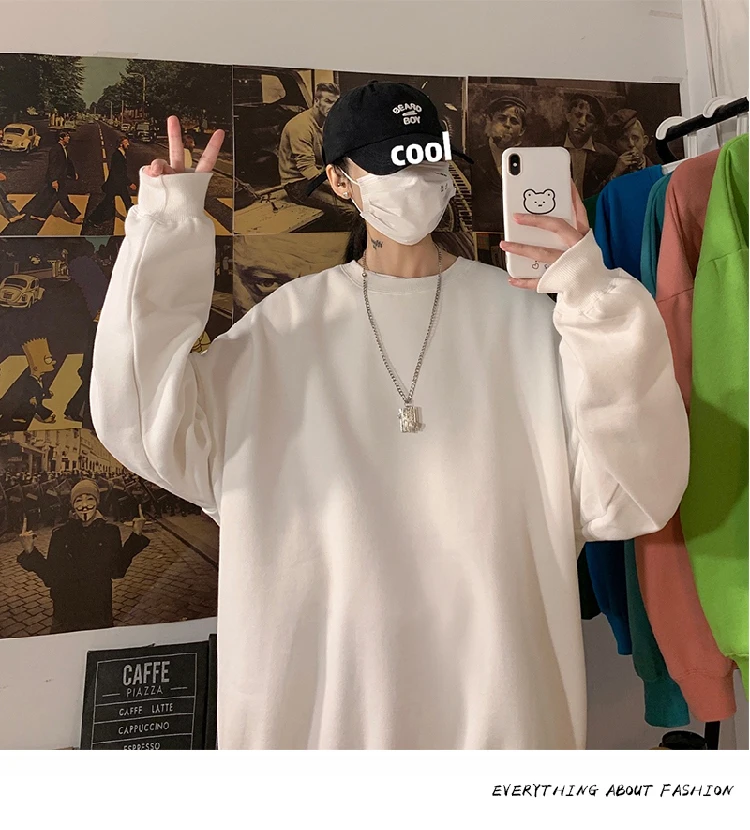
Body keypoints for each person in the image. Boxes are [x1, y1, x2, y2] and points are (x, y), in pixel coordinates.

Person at [90, 83, 689, 750]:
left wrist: (587, 290)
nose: (416, 178)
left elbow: (635, 490)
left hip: (500, 712)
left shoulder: (532, 318)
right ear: (339, 181)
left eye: (429, 158)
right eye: (392, 161)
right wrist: (167, 229)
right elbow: (144, 418)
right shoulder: (286, 328)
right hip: (326, 725)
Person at [17, 479, 149, 634]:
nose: (84, 505)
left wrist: (136, 536)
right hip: (65, 615)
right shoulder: (61, 534)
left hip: (98, 614)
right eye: (78, 500)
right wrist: (30, 551)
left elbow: (117, 570)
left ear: (97, 501)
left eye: (90, 498)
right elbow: (51, 577)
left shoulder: (110, 532)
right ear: (72, 504)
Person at [277, 82, 358, 229]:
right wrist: (339, 186)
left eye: (335, 103)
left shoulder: (327, 123)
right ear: (316, 101)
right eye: (327, 101)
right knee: (350, 211)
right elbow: (307, 169)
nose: (332, 107)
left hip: (319, 177)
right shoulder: (301, 126)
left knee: (358, 201)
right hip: (298, 184)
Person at [472, 95, 528, 230]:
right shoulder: (473, 159)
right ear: (489, 121)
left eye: (514, 121)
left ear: (521, 130)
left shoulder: (528, 162)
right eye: (501, 118)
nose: (507, 125)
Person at [560, 93, 617, 199]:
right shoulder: (553, 151)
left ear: (595, 127)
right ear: (568, 116)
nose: (582, 122)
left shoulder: (606, 157)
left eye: (589, 119)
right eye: (578, 115)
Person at [20, 131, 83, 224]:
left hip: (59, 177)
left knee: (44, 195)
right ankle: (74, 216)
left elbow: (67, 162)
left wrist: (73, 174)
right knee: (63, 197)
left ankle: (34, 213)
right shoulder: (55, 149)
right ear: (61, 138)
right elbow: (52, 165)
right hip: (56, 178)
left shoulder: (62, 148)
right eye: (67, 136)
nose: (69, 138)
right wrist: (54, 180)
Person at [0, 337, 57, 434]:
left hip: (23, 405)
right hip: (19, 407)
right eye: (47, 360)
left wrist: (46, 392)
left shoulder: (37, 379)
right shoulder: (30, 382)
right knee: (27, 409)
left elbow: (39, 391)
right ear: (36, 368)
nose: (53, 362)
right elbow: (34, 400)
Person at [87, 135, 138, 224]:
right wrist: (129, 183)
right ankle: (93, 219)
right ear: (121, 144)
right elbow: (119, 172)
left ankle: (134, 220)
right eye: (126, 143)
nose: (128, 144)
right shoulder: (117, 155)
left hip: (119, 184)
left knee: (127, 202)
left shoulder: (121, 154)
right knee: (106, 203)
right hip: (115, 184)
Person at [602, 108, 654, 183]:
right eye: (624, 139)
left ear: (645, 142)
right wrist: (615, 175)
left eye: (635, 138)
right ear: (615, 144)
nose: (631, 144)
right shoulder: (606, 170)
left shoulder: (657, 172)